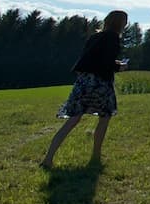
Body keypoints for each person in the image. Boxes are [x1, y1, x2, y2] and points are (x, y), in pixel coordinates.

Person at [41, 10, 130, 169]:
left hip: (83, 81)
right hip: (100, 83)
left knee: (73, 119)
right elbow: (106, 63)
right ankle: (96, 155)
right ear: (120, 23)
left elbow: (92, 58)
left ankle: (48, 157)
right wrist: (120, 66)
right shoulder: (113, 38)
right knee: (104, 117)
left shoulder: (95, 37)